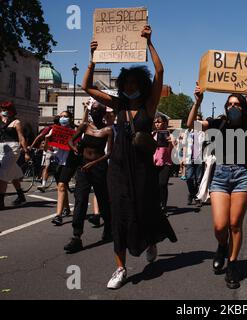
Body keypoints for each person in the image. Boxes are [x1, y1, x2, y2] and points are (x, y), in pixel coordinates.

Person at [82, 25, 177, 289]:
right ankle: (120, 268)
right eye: (127, 83)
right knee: (119, 217)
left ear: (142, 86)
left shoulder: (149, 105)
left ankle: (151, 241)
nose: (131, 87)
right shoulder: (118, 105)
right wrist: (93, 58)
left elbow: (159, 71)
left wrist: (150, 42)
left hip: (143, 170)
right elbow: (86, 85)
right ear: (122, 86)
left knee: (145, 211)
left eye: (135, 83)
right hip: (119, 170)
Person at [187, 83, 247, 289]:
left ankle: (232, 264)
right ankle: (222, 246)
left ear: (244, 108)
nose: (233, 107)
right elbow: (191, 125)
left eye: (237, 104)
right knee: (220, 226)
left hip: (242, 177)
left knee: (234, 224)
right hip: (221, 176)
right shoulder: (218, 124)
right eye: (230, 104)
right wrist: (197, 102)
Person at [63, 100, 114, 253]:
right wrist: (74, 148)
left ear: (104, 113)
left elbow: (109, 153)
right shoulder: (85, 126)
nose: (95, 112)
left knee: (103, 199)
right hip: (83, 168)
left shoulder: (108, 130)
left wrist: (94, 163)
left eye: (98, 110)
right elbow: (71, 140)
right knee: (80, 200)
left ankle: (108, 227)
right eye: (93, 110)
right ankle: (76, 236)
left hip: (99, 168)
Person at [46, 111, 78, 226]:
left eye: (65, 116)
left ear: (70, 118)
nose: (62, 118)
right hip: (57, 161)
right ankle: (67, 208)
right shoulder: (54, 130)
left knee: (61, 185)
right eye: (61, 116)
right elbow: (47, 148)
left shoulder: (76, 132)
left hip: (69, 162)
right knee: (61, 186)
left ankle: (58, 216)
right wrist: (47, 139)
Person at [0, 101, 30, 209]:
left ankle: (1, 202)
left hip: (13, 148)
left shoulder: (16, 122)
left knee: (2, 173)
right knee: (13, 173)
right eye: (2, 109)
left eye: (6, 109)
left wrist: (26, 152)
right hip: (1, 148)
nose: (4, 111)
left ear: (12, 110)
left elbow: (21, 137)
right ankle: (21, 196)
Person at [30, 115, 60, 192]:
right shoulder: (52, 128)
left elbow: (39, 137)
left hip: (50, 149)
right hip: (56, 150)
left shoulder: (50, 128)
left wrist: (32, 146)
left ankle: (44, 184)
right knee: (49, 167)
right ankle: (45, 184)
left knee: (46, 167)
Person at [153, 114, 175, 214]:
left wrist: (172, 142)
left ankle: (163, 205)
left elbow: (176, 150)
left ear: (165, 123)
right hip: (153, 163)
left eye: (159, 122)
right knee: (155, 185)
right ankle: (156, 204)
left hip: (166, 162)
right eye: (155, 122)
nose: (157, 124)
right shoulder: (152, 134)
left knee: (162, 184)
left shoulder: (170, 135)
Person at [184, 115, 205, 206]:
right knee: (189, 178)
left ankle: (197, 197)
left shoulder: (204, 132)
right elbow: (185, 146)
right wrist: (183, 158)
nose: (197, 121)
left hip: (199, 158)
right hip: (189, 158)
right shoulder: (187, 132)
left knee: (198, 180)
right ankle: (192, 193)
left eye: (199, 120)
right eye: (195, 119)